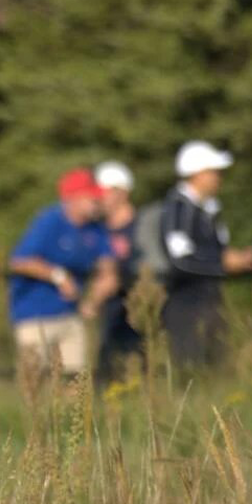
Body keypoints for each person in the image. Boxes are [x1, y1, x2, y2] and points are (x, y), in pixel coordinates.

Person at [7, 168, 119, 381]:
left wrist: (93, 301)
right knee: (35, 380)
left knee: (75, 381)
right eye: (91, 196)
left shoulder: (96, 228)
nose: (98, 201)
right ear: (73, 198)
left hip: (71, 316)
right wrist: (58, 276)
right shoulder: (49, 221)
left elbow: (108, 271)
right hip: (35, 316)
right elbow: (20, 261)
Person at [160, 141, 252, 369]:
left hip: (209, 302)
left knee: (216, 366)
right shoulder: (179, 207)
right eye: (214, 172)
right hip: (186, 306)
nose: (218, 178)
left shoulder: (207, 208)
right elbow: (180, 260)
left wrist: (232, 259)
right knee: (191, 368)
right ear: (198, 174)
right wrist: (222, 264)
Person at [92, 161, 147, 383]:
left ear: (122, 192)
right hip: (106, 316)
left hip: (136, 317)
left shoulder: (142, 227)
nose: (99, 198)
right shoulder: (96, 230)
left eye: (104, 192)